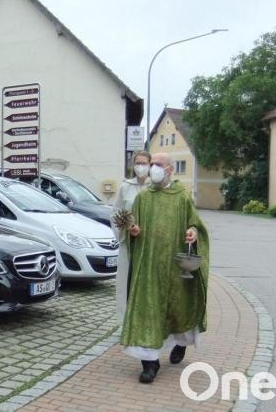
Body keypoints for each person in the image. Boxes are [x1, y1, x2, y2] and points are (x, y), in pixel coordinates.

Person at [121, 152, 210, 384]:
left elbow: (195, 223)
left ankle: (181, 343)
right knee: (147, 311)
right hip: (148, 266)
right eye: (152, 164)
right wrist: (133, 231)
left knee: (178, 308)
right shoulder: (144, 197)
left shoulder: (181, 196)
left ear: (170, 170)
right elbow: (133, 226)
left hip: (175, 266)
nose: (153, 168)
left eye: (158, 165)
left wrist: (193, 232)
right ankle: (150, 363)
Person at [111, 151, 151, 324]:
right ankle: (125, 322)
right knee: (124, 282)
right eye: (137, 163)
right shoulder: (126, 186)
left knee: (147, 283)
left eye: (144, 163)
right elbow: (116, 212)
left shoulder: (155, 187)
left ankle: (146, 321)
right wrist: (127, 227)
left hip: (149, 243)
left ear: (150, 165)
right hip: (128, 242)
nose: (140, 166)